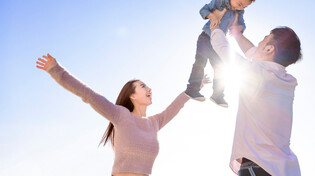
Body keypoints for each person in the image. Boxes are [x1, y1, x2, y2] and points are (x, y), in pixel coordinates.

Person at [36, 54, 209, 176]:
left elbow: (175, 107)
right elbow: (88, 94)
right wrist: (56, 70)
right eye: (143, 86)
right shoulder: (120, 115)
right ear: (132, 95)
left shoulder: (154, 123)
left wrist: (194, 88)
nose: (149, 89)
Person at [210, 9, 302, 176]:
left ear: (269, 49)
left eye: (262, 40)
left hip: (258, 168)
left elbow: (222, 47)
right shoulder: (286, 81)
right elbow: (254, 53)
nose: (258, 44)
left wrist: (215, 27)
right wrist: (237, 34)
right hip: (284, 169)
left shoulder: (256, 72)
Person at [185, 0, 258, 108]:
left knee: (220, 67)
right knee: (200, 62)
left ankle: (217, 95)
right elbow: (203, 9)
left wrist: (239, 28)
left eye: (244, 7)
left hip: (217, 43)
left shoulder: (239, 12)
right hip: (205, 37)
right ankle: (192, 89)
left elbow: (242, 24)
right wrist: (213, 16)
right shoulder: (219, 1)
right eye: (239, 4)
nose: (240, 8)